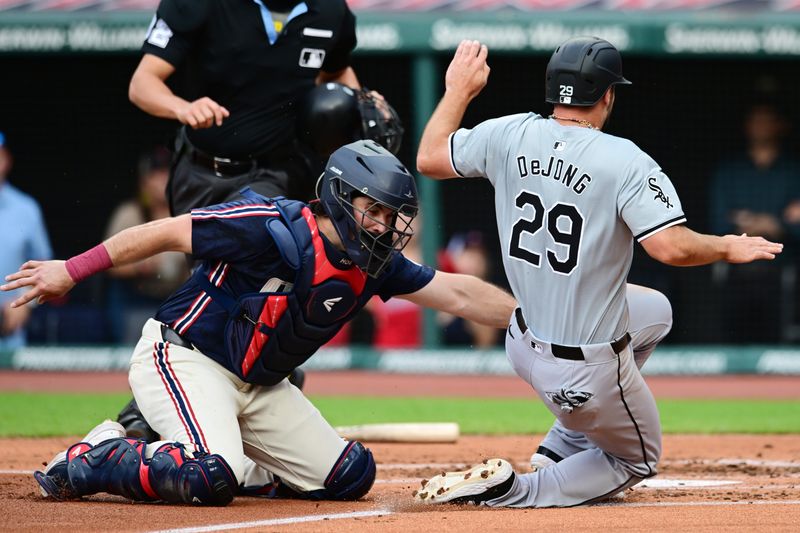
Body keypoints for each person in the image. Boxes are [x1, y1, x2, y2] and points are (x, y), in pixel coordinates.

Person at [3, 140, 516, 506]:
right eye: (373, 211)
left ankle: (245, 465)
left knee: (348, 475)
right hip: (184, 357)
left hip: (260, 386)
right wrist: (71, 270)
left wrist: (535, 320)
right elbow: (164, 232)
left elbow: (460, 293)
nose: (384, 226)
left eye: (390, 216)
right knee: (208, 476)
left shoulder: (374, 262)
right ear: (341, 197)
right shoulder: (269, 227)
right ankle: (97, 455)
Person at [411, 38, 782, 507]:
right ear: (607, 96)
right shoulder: (624, 159)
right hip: (580, 370)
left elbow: (429, 157)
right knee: (637, 460)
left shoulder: (508, 133)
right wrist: (727, 246)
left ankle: (561, 443)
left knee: (656, 312)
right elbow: (670, 247)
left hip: (522, 342)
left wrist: (458, 90)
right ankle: (516, 490)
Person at [128, 0, 399, 212]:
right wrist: (182, 108)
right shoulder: (198, 3)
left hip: (277, 171)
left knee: (255, 257)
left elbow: (336, 71)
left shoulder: (330, 9)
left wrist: (360, 98)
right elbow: (143, 83)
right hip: (200, 173)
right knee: (209, 277)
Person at [709, 101, 800, 343]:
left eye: (767, 120)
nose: (761, 127)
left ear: (780, 126)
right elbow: (719, 224)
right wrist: (777, 221)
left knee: (780, 346)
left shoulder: (793, 170)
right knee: (733, 345)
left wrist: (752, 220)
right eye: (756, 120)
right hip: (736, 273)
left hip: (783, 272)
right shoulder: (729, 170)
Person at [105, 147, 190, 344]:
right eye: (156, 174)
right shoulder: (129, 213)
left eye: (168, 172)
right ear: (144, 181)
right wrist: (139, 267)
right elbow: (107, 266)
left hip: (178, 304)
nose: (163, 179)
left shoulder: (187, 214)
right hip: (137, 301)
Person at [0, 131, 52, 352]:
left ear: (7, 160)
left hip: (9, 329)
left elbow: (43, 264)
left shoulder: (26, 208)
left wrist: (24, 303)